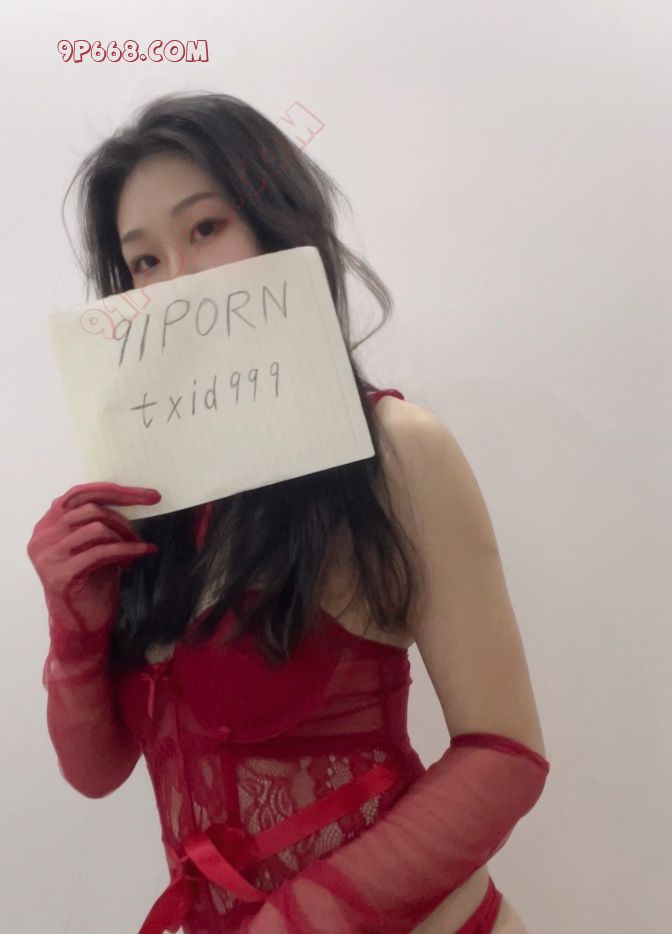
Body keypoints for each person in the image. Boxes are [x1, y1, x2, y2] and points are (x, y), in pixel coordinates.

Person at [27, 91, 551, 933]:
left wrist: (296, 922)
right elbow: (97, 771)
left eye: (205, 228)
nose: (178, 281)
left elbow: (504, 754)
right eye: (145, 261)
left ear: (280, 226)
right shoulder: (152, 497)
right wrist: (74, 628)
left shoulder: (395, 451)